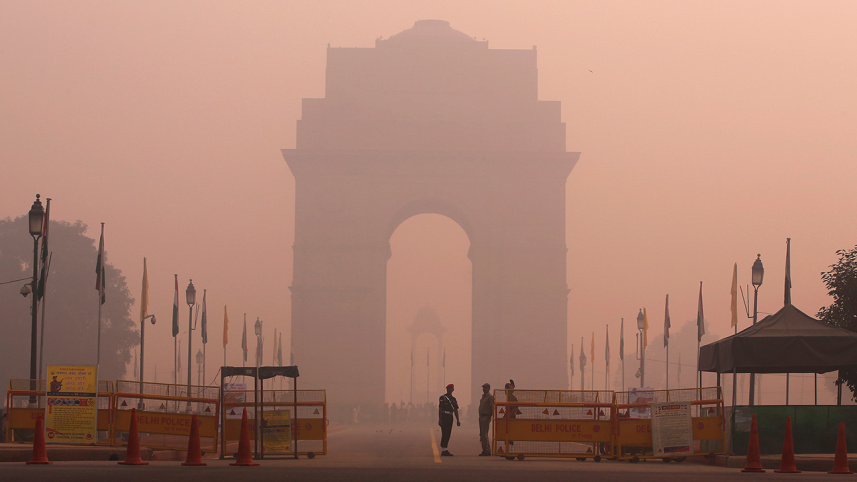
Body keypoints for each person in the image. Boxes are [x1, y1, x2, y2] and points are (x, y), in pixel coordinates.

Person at [437, 383, 460, 456]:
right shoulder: (442, 398)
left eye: (451, 388)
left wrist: (458, 420)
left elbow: (456, 410)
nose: (450, 389)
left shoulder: (453, 399)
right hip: (444, 416)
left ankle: (445, 448)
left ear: (453, 389)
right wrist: (440, 419)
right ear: (447, 389)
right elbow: (440, 409)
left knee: (448, 433)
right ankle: (444, 449)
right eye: (449, 388)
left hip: (450, 416)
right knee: (445, 432)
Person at [478, 382, 494, 456]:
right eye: (483, 387)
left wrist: (489, 416)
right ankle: (485, 449)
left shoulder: (490, 397)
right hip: (481, 417)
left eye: (485, 387)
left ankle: (486, 451)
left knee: (484, 434)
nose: (484, 389)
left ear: (489, 388)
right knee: (482, 434)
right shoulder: (483, 396)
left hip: (486, 416)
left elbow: (492, 408)